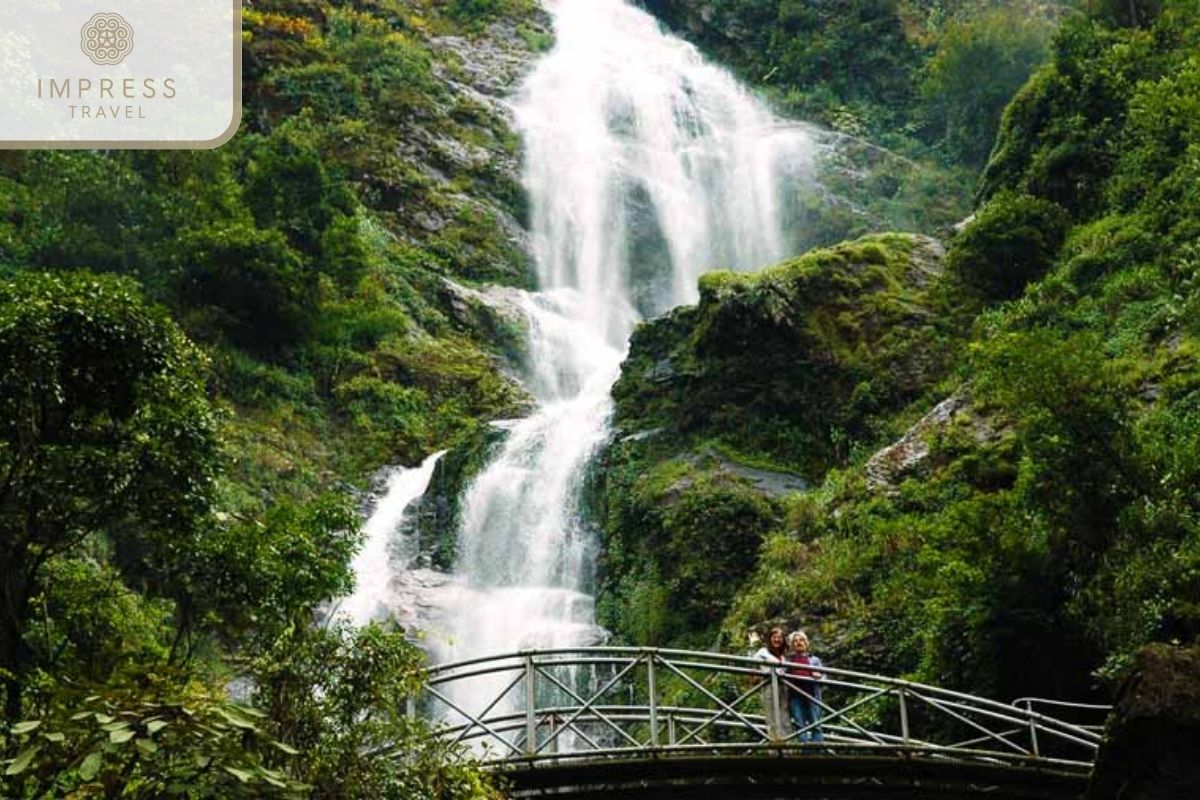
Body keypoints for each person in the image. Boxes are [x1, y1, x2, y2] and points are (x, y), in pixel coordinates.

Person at [752, 627, 791, 741]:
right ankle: (775, 748)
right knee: (771, 717)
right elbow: (753, 667)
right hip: (768, 686)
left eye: (780, 637)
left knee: (784, 716)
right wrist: (756, 678)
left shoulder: (783, 657)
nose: (777, 640)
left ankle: (788, 747)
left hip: (783, 688)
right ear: (770, 639)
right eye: (774, 637)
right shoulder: (762, 652)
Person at [785, 630, 824, 743]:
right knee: (799, 724)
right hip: (795, 697)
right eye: (795, 641)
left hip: (812, 694)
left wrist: (819, 675)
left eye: (801, 640)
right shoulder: (788, 661)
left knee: (816, 724)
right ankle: (805, 750)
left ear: (806, 643)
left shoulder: (814, 660)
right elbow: (781, 674)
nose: (798, 643)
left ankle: (817, 751)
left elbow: (824, 676)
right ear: (792, 645)